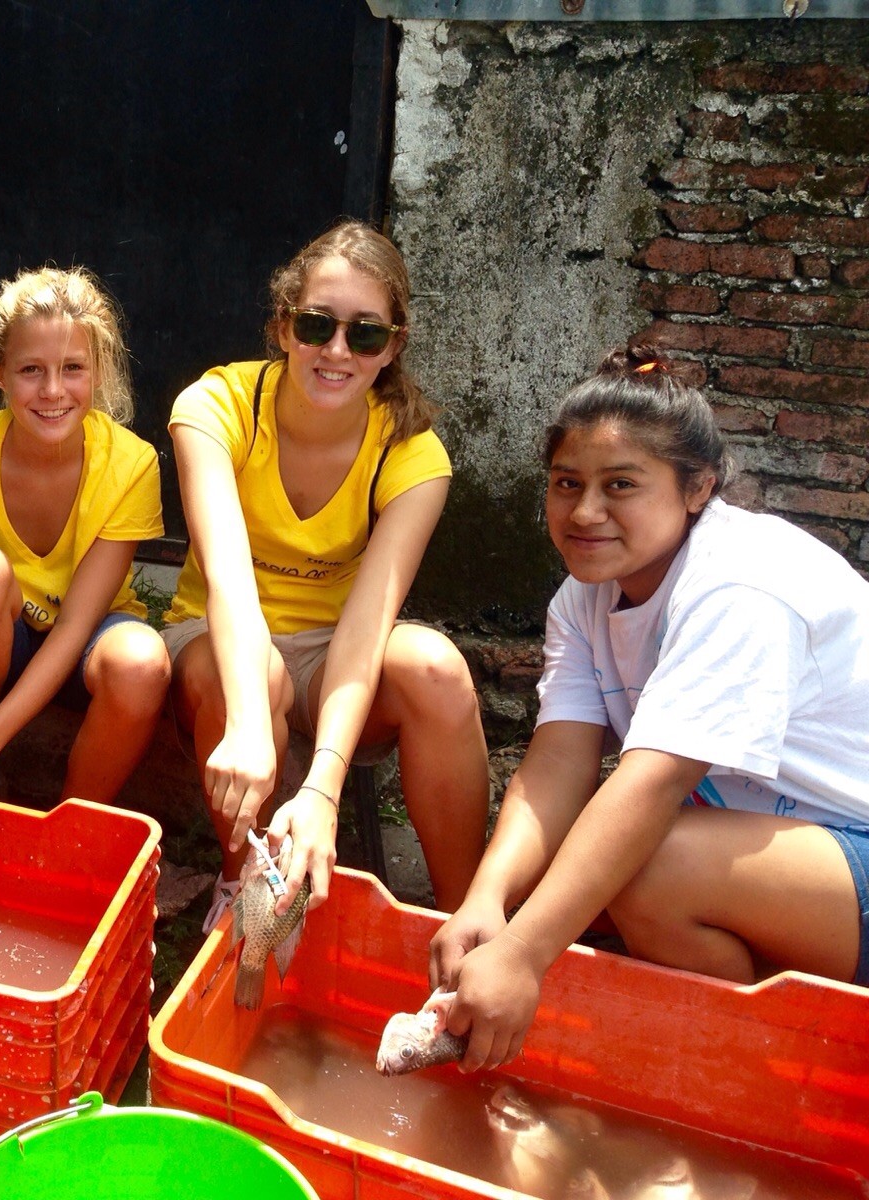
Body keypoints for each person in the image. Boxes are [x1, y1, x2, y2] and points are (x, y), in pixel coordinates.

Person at [430, 348, 869, 1072]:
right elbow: (558, 761)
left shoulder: (740, 587)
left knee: (641, 868)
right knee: (557, 882)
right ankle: (735, 1037)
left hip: (852, 844)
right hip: (786, 853)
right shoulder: (585, 596)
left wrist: (521, 955)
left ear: (697, 488)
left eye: (620, 486)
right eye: (566, 484)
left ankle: (784, 1068)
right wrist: (487, 899)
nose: (585, 512)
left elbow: (653, 783)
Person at [162, 220, 489, 930]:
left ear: (392, 346)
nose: (336, 350)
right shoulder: (216, 407)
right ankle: (241, 885)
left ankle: (466, 923)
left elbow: (369, 622)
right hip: (219, 636)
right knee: (251, 681)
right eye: (317, 325)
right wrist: (250, 719)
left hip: (334, 650)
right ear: (284, 327)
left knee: (434, 666)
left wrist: (323, 787)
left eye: (364, 334)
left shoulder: (410, 453)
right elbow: (228, 580)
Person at [0, 266, 171, 806]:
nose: (52, 391)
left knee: (141, 662)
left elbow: (74, 626)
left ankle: (74, 823)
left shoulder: (131, 463)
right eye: (30, 369)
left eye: (73, 368)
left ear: (96, 372)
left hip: (85, 642)